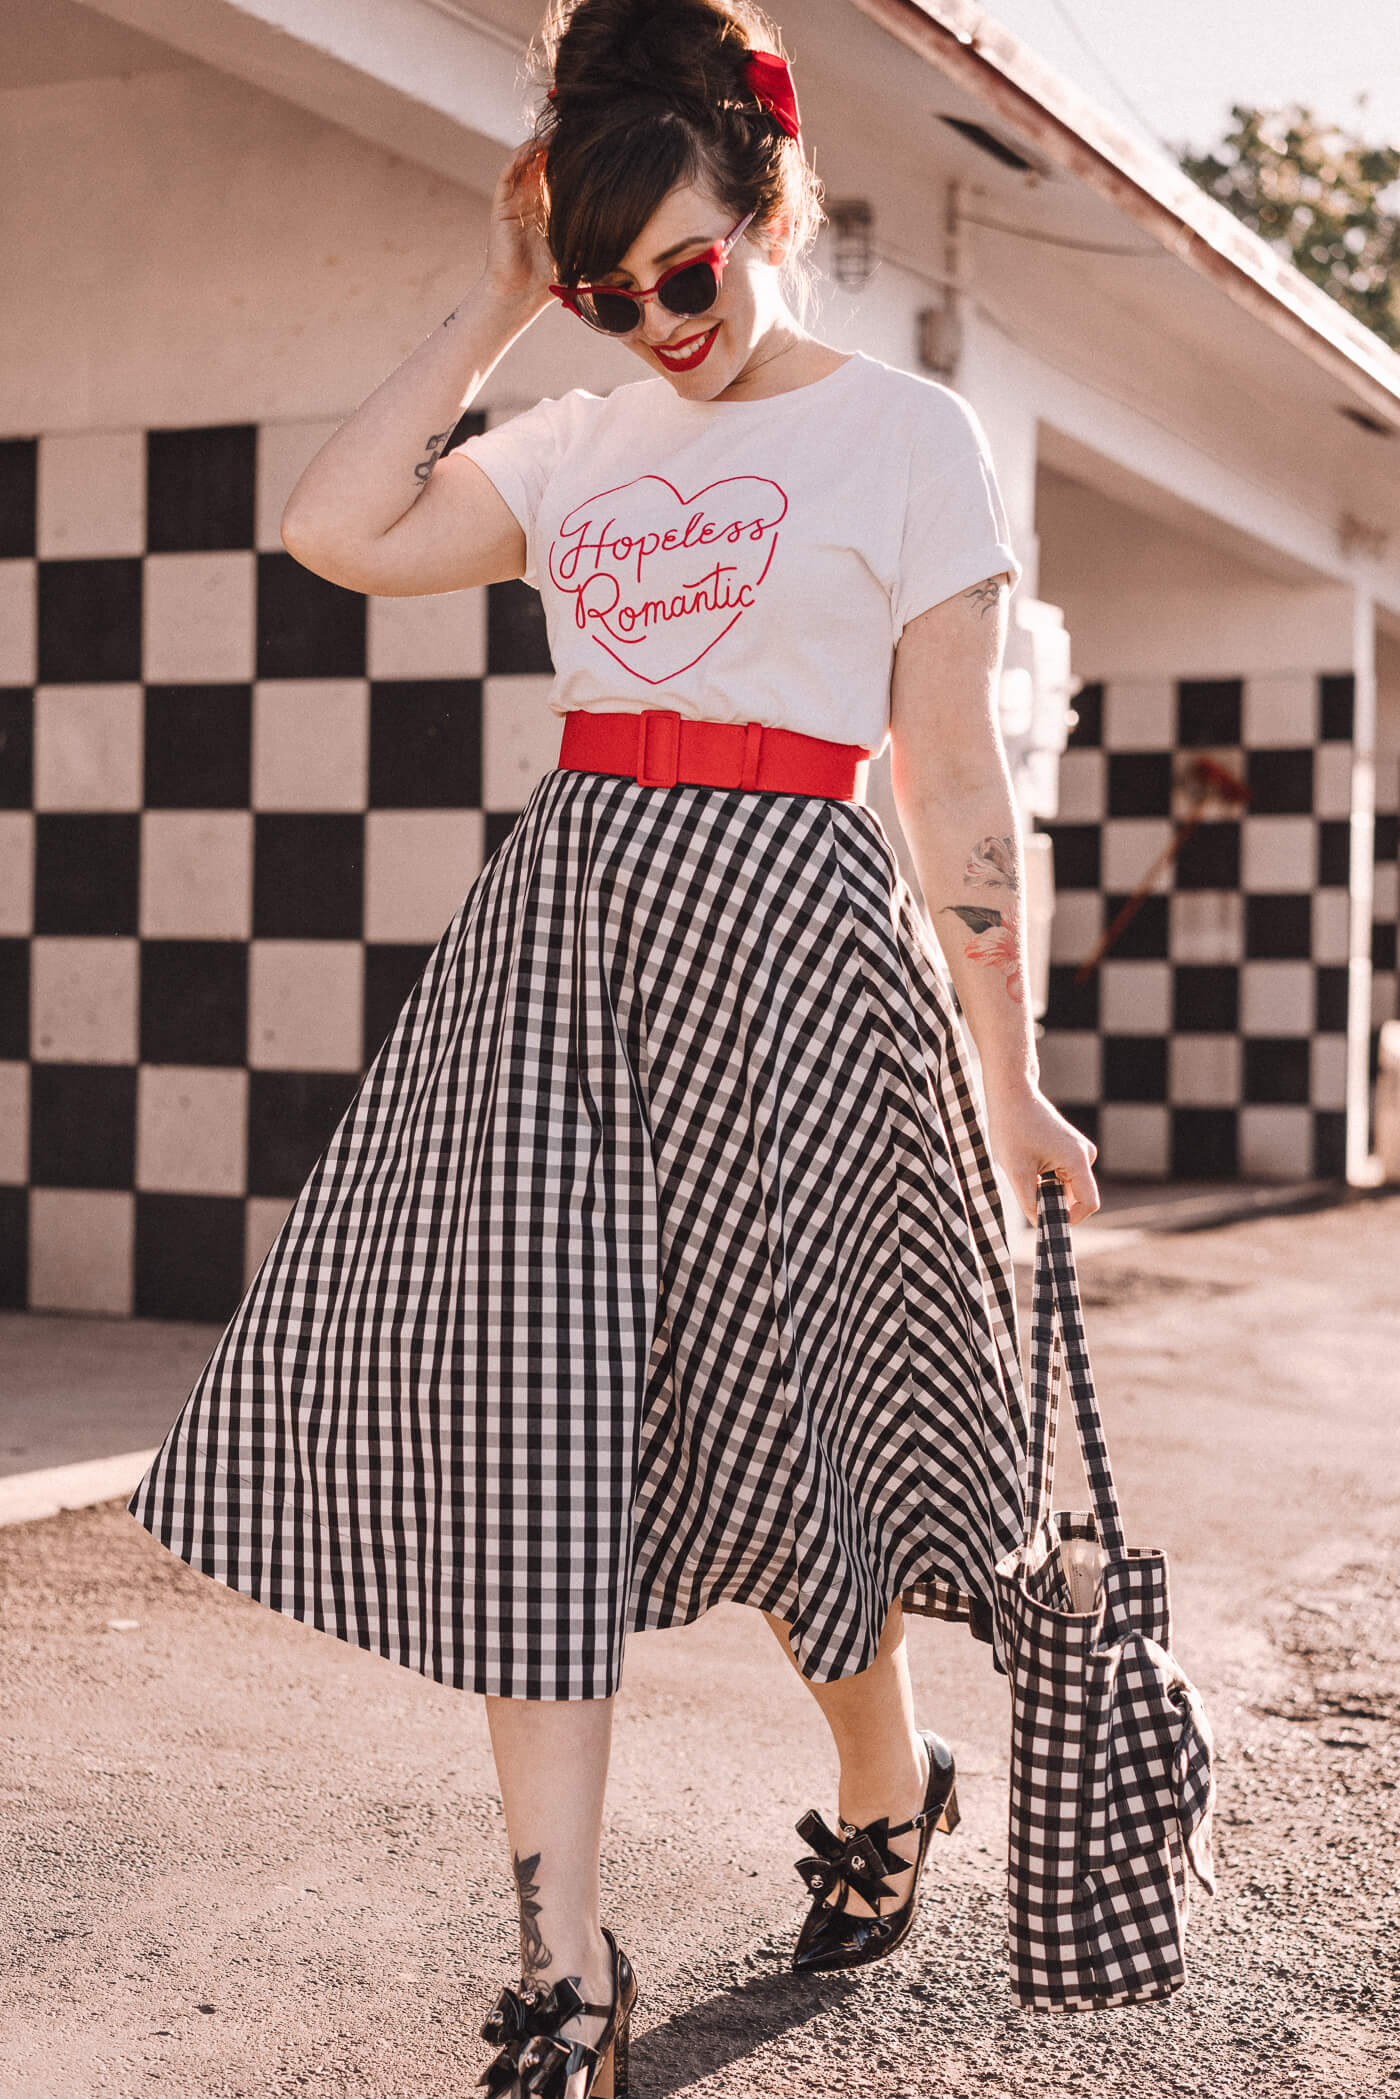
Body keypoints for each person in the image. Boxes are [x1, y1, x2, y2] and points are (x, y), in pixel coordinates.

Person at [127, 1, 1099, 2092]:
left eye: (686, 270)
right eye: (604, 286)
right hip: (562, 968)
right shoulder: (565, 446)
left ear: (772, 204)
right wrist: (495, 308)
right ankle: (561, 1966)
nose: (653, 321)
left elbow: (952, 789)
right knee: (537, 1442)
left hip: (806, 962)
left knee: (794, 1448)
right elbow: (338, 528)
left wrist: (1005, 1070)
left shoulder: (905, 438)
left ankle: (886, 1772)